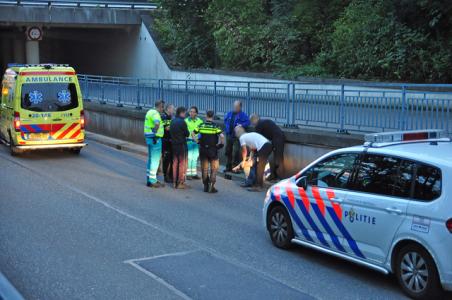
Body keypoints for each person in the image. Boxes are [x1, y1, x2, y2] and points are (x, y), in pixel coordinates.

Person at [233, 126, 272, 192]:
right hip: (266, 145)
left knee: (260, 167)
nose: (235, 134)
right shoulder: (248, 136)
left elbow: (244, 151)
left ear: (238, 132)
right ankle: (250, 182)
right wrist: (249, 159)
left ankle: (258, 186)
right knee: (255, 165)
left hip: (264, 147)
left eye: (235, 132)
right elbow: (252, 150)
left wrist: (244, 160)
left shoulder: (242, 137)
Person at [194, 110, 225, 193]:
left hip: (203, 149)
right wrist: (221, 144)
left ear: (205, 115)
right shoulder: (215, 126)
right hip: (213, 149)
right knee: (214, 168)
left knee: (204, 169)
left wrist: (197, 141)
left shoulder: (201, 125)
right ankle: (211, 186)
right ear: (213, 116)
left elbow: (193, 133)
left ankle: (205, 186)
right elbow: (222, 136)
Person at [250, 114, 285, 180]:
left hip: (277, 139)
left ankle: (280, 178)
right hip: (278, 137)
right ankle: (274, 176)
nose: (252, 124)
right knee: (277, 158)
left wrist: (254, 152)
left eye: (252, 122)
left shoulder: (259, 125)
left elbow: (257, 138)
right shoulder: (263, 122)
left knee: (278, 159)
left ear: (254, 119)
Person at [224, 100, 250, 172]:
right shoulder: (230, 113)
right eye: (234, 106)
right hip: (229, 135)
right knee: (228, 151)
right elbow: (225, 120)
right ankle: (228, 167)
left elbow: (248, 122)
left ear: (240, 107)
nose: (235, 108)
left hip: (236, 136)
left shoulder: (243, 115)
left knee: (236, 152)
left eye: (236, 106)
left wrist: (241, 125)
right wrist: (227, 127)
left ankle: (234, 167)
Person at [144, 100, 165, 188]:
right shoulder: (156, 114)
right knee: (155, 160)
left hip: (149, 138)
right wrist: (155, 132)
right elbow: (157, 123)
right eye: (162, 107)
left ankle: (150, 178)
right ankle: (152, 181)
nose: (163, 109)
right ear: (160, 106)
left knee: (151, 159)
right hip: (155, 139)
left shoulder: (149, 111)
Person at [170, 106, 190, 189]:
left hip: (174, 144)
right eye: (185, 113)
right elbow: (187, 134)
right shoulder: (182, 122)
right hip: (181, 145)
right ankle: (180, 182)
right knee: (182, 163)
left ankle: (174, 182)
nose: (185, 114)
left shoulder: (173, 121)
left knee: (175, 162)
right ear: (181, 113)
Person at [185, 106, 203, 180]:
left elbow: (201, 131)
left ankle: (194, 173)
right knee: (189, 158)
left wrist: (198, 139)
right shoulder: (186, 121)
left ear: (196, 113)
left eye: (193, 112)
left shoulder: (200, 121)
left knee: (195, 158)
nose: (191, 113)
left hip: (196, 142)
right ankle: (188, 174)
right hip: (188, 141)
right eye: (190, 111)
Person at [161, 104, 175, 183]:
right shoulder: (163, 117)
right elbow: (164, 128)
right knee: (166, 159)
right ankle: (165, 176)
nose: (173, 110)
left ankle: (171, 175)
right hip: (165, 140)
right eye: (172, 109)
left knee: (172, 159)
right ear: (168, 109)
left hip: (171, 141)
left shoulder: (172, 118)